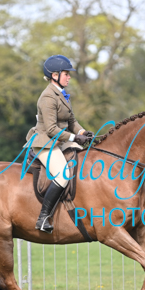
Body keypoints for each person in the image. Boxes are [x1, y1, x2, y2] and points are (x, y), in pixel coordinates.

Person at [25, 55, 93, 233]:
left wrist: (83, 133)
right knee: (63, 175)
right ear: (55, 75)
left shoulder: (62, 94)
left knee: (86, 158)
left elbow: (72, 121)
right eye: (66, 74)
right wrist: (74, 138)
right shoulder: (48, 97)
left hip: (60, 141)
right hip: (45, 143)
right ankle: (43, 217)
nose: (69, 77)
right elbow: (51, 129)